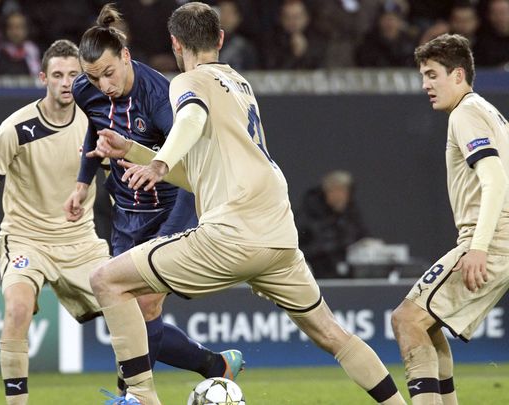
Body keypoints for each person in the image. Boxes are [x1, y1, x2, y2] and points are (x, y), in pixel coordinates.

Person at [86, 3, 406, 404]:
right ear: (220, 39)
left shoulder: (188, 82)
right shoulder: (240, 86)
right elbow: (200, 175)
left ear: (175, 44)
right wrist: (133, 149)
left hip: (231, 236)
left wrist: (159, 160)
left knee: (107, 281)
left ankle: (139, 398)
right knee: (333, 335)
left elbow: (189, 117)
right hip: (279, 239)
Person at [62, 3, 244, 395]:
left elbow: (191, 163)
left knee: (144, 307)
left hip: (171, 208)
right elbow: (96, 132)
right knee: (126, 312)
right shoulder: (85, 90)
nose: (103, 85)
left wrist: (173, 234)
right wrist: (82, 183)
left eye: (109, 73)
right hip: (126, 213)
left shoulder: (159, 96)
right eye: (94, 78)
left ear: (126, 56)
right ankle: (215, 364)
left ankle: (129, 396)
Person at [0, 39, 110, 405]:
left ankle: (137, 394)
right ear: (43, 77)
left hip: (80, 240)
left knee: (135, 309)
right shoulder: (15, 128)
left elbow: (120, 177)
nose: (66, 82)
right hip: (25, 239)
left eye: (74, 75)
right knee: (17, 308)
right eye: (59, 75)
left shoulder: (96, 122)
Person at [391, 33, 509, 405]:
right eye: (423, 76)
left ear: (458, 75)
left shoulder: (466, 113)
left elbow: (494, 180)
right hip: (495, 238)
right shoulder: (487, 111)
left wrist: (478, 248)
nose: (425, 84)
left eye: (432, 74)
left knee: (406, 320)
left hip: (491, 239)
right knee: (428, 325)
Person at [297, 170, 368, 278]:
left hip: (348, 277)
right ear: (326, 191)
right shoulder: (307, 214)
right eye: (336, 190)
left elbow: (362, 236)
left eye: (344, 191)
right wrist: (326, 247)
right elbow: (298, 249)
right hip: (316, 276)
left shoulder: (351, 213)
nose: (341, 196)